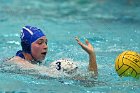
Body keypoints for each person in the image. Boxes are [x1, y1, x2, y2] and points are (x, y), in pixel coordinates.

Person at [4, 25, 98, 78]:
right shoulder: (17, 62)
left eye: (46, 42)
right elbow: (50, 73)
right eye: (40, 43)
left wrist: (91, 55)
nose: (45, 47)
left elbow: (91, 81)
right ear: (27, 46)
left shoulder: (35, 62)